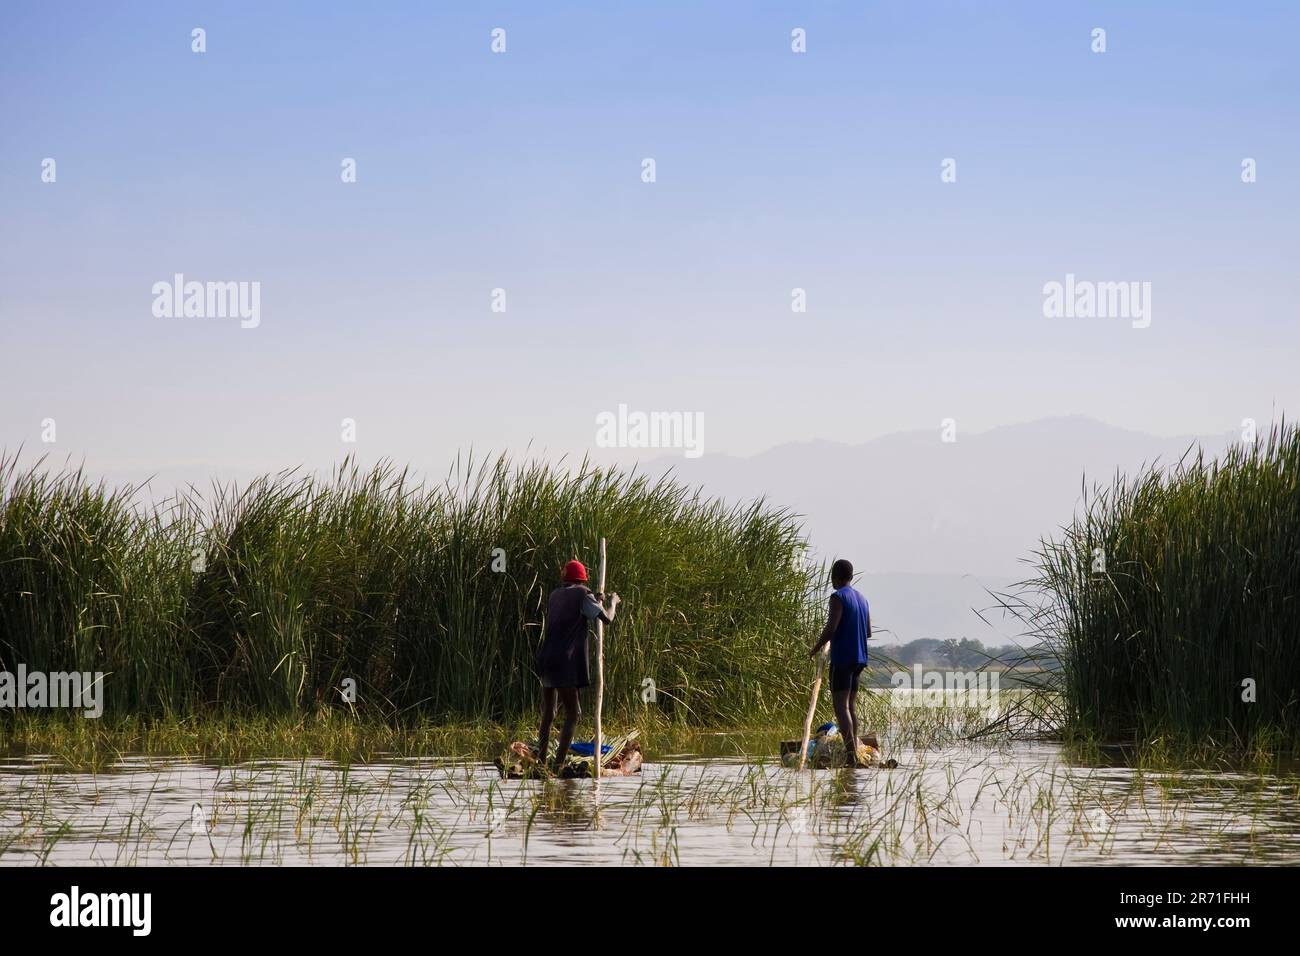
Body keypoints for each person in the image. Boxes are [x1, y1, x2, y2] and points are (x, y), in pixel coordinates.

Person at [535, 559, 620, 772]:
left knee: (548, 713)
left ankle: (541, 761)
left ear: (566, 578)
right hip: (565, 661)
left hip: (547, 659)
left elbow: (580, 607)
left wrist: (595, 599)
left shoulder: (555, 595)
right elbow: (607, 619)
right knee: (574, 714)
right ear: (582, 579)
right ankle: (558, 765)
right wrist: (612, 603)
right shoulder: (583, 595)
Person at [808, 558, 871, 767]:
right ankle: (854, 751)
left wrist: (816, 648)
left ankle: (851, 755)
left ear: (834, 577)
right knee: (850, 706)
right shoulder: (862, 599)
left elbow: (831, 627)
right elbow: (868, 632)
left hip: (843, 658)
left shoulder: (838, 597)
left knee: (840, 707)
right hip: (860, 659)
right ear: (851, 577)